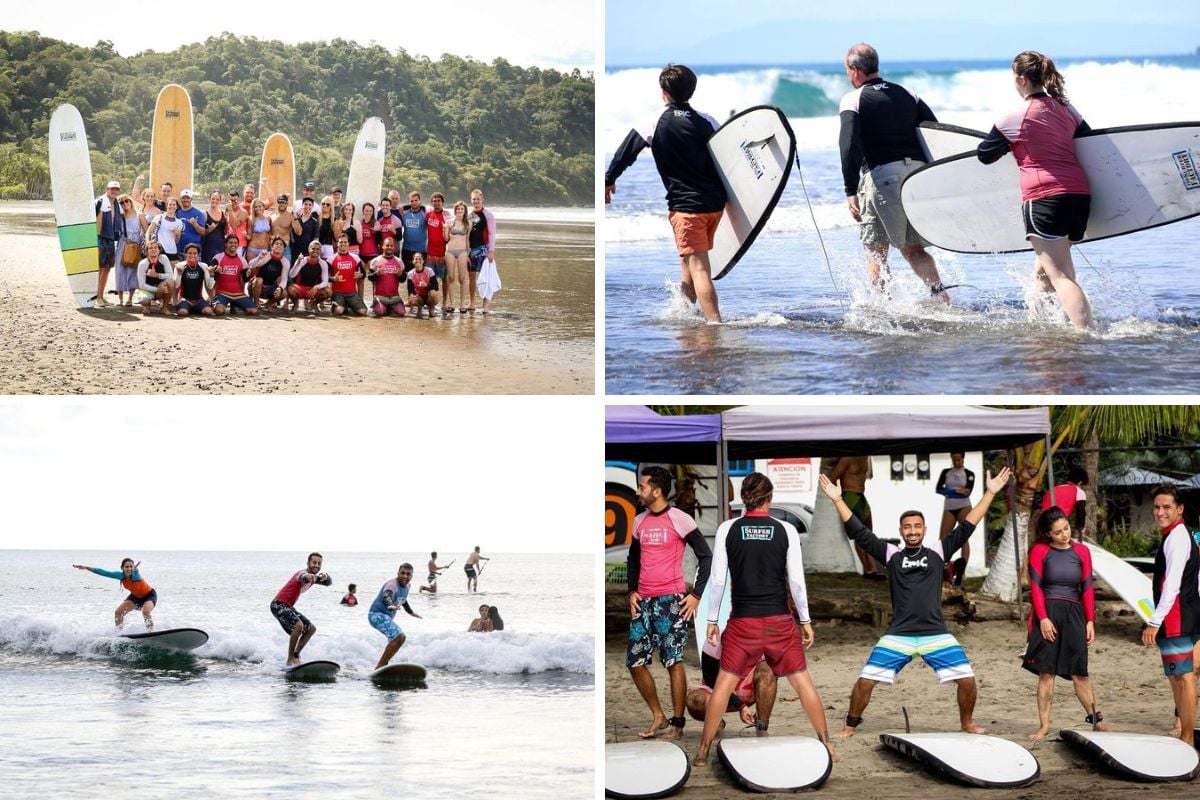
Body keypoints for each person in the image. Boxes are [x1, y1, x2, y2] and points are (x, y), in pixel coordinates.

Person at [818, 465, 1011, 737]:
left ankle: (967, 723)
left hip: (935, 633)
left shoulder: (938, 551)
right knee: (864, 682)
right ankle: (850, 725)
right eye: (907, 527)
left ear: (924, 529)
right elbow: (860, 532)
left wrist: (990, 493)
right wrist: (838, 500)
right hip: (900, 634)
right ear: (901, 529)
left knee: (967, 681)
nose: (912, 531)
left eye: (917, 526)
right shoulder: (891, 555)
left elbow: (967, 526)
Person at [694, 472, 831, 766]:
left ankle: (703, 752)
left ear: (744, 498)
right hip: (779, 622)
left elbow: (717, 581)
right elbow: (796, 582)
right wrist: (805, 620)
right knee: (803, 683)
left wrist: (711, 619)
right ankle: (827, 742)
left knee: (722, 686)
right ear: (769, 498)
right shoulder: (786, 530)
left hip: (743, 623)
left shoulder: (728, 529)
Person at [978, 51, 1093, 328]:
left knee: (1061, 276)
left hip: (1043, 198)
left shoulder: (1014, 116)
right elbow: (1090, 141)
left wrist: (1012, 143)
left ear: (1021, 79)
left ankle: (1087, 334)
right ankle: (1037, 325)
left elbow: (984, 154)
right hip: (1079, 195)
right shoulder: (1067, 110)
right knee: (1045, 271)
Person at [605, 64, 725, 322]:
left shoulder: (653, 122)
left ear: (663, 92)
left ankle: (714, 324)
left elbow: (625, 153)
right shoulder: (708, 121)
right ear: (691, 91)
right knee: (688, 261)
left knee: (699, 267)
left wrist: (608, 179)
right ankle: (684, 313)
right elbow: (730, 158)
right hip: (715, 205)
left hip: (687, 208)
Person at [839, 43, 950, 301]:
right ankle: (941, 297)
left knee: (875, 250)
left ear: (855, 69)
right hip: (916, 176)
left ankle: (883, 308)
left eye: (847, 70)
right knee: (913, 247)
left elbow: (848, 146)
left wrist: (850, 189)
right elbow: (934, 131)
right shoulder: (907, 92)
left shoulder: (853, 99)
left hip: (881, 178)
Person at [627, 465, 714, 740]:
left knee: (673, 662)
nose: (638, 492)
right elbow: (633, 560)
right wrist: (631, 591)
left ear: (657, 490)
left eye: (642, 487)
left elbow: (706, 557)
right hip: (644, 601)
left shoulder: (680, 519)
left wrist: (696, 595)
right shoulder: (639, 521)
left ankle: (678, 724)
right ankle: (658, 715)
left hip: (670, 600)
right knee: (635, 662)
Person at [1024, 506, 1108, 740]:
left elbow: (1087, 589)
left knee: (1080, 672)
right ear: (1048, 534)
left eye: (1066, 528)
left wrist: (1090, 621)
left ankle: (1096, 721)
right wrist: (1042, 619)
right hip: (1048, 611)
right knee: (1046, 673)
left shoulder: (1082, 551)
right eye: (1058, 532)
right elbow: (1036, 587)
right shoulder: (1040, 550)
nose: (1064, 534)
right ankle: (1043, 726)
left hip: (1074, 614)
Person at [1140, 484, 1200, 746]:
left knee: (1183, 678)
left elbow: (1172, 583)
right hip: (1188, 611)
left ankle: (1187, 738)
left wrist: (1154, 622)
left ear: (1180, 509)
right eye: (1156, 507)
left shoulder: (1177, 537)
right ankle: (1185, 733)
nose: (1160, 512)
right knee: (1183, 676)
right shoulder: (1181, 534)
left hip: (1177, 616)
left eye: (1167, 507)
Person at [686, 638, 776, 735]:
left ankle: (761, 724)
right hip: (719, 690)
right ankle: (716, 723)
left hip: (750, 688)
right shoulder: (715, 639)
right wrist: (740, 705)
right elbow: (711, 680)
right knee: (694, 699)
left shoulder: (764, 637)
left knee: (768, 670)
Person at [270, 552, 332, 666]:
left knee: (311, 629)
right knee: (299, 625)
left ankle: (296, 656)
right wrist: (307, 576)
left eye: (319, 563)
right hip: (278, 604)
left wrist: (325, 576)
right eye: (314, 562)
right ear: (308, 563)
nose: (316, 565)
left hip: (288, 606)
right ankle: (289, 660)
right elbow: (302, 577)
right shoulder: (302, 574)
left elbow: (329, 583)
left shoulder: (315, 577)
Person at [829, 456, 884, 579]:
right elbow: (832, 479)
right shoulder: (849, 459)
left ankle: (871, 569)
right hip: (850, 496)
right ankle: (869, 569)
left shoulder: (866, 459)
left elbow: (834, 478)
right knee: (859, 534)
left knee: (867, 534)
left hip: (860, 497)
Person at [72, 557, 156, 629]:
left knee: (146, 612)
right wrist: (86, 567)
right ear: (122, 568)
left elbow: (136, 571)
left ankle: (150, 631)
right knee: (118, 613)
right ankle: (119, 633)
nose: (129, 568)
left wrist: (136, 570)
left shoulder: (135, 575)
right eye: (127, 567)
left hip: (149, 595)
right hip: (135, 597)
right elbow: (103, 572)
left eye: (131, 566)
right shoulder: (120, 575)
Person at [369, 563, 422, 670]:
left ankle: (384, 665)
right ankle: (380, 666)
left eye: (408, 574)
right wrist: (390, 604)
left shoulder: (407, 586)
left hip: (385, 617)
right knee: (399, 636)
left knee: (399, 639)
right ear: (398, 573)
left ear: (412, 576)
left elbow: (403, 599)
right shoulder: (392, 585)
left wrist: (410, 612)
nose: (405, 576)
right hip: (376, 615)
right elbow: (386, 595)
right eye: (402, 573)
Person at [936, 452, 976, 586]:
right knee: (943, 537)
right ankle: (944, 566)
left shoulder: (969, 473)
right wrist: (955, 492)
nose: (957, 462)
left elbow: (968, 491)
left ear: (963, 459)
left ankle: (962, 571)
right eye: (954, 460)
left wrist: (953, 491)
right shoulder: (946, 472)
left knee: (964, 537)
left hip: (964, 505)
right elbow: (939, 489)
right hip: (949, 506)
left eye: (959, 460)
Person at [209, 234, 258, 316]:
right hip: (222, 293)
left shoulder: (242, 260)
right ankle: (215, 302)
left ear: (238, 245)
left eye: (235, 243)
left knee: (253, 311)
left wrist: (248, 274)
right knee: (219, 311)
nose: (233, 245)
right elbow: (210, 273)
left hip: (237, 294)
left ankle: (235, 304)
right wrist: (214, 270)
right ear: (225, 244)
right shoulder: (218, 257)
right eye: (230, 242)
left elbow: (245, 279)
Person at [465, 189, 496, 314]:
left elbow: (492, 234)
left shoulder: (488, 215)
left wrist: (491, 251)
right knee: (471, 277)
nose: (475, 201)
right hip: (471, 250)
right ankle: (471, 303)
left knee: (486, 278)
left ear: (482, 199)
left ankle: (485, 306)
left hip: (484, 249)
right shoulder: (469, 215)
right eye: (473, 199)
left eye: (478, 199)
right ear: (471, 200)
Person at [94, 179, 122, 306]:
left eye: (116, 189)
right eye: (112, 189)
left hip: (111, 238)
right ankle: (97, 297)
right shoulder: (99, 202)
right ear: (107, 189)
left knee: (107, 268)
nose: (114, 191)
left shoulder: (117, 204)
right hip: (100, 237)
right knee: (99, 268)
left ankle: (101, 295)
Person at [1041, 466, 1088, 535]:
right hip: (1057, 523)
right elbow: (1080, 512)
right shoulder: (1078, 491)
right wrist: (1081, 528)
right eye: (1082, 486)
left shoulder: (1054, 488)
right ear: (1080, 483)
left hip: (1041, 521)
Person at [368, 236, 407, 317]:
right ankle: (382, 306)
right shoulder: (375, 261)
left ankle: (390, 307)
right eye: (387, 245)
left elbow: (403, 280)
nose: (389, 247)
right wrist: (376, 274)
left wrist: (400, 275)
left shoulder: (399, 262)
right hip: (380, 296)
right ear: (382, 246)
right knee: (379, 312)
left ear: (394, 247)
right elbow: (369, 277)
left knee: (401, 313)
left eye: (391, 245)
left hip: (394, 297)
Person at [287, 240, 331, 312]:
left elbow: (325, 282)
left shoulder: (323, 263)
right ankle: (295, 304)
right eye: (313, 248)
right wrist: (297, 263)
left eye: (317, 249)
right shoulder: (302, 260)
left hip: (314, 289)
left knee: (328, 291)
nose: (315, 251)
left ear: (320, 250)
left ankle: (314, 304)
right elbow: (291, 275)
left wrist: (316, 287)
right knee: (290, 289)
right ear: (309, 249)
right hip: (300, 288)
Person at [329, 234, 367, 316]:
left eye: (345, 242)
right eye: (341, 242)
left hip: (352, 293)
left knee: (363, 312)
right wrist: (333, 278)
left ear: (348, 244)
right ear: (337, 244)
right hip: (337, 293)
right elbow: (325, 277)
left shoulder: (356, 258)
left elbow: (364, 274)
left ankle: (348, 305)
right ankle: (339, 305)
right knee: (339, 311)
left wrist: (360, 275)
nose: (343, 244)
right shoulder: (331, 259)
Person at [247, 237, 290, 311]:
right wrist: (259, 258)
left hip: (270, 288)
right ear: (272, 246)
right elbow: (251, 265)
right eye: (276, 244)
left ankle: (268, 304)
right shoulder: (266, 255)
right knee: (259, 280)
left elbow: (284, 279)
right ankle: (256, 303)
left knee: (284, 292)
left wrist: (280, 288)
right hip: (255, 286)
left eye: (281, 244)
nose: (278, 245)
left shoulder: (285, 262)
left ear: (284, 249)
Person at [135, 238, 175, 315]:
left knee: (171, 282)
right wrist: (157, 289)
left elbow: (171, 275)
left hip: (161, 287)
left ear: (159, 250)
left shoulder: (164, 258)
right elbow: (141, 285)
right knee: (145, 302)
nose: (153, 250)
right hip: (148, 290)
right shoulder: (142, 264)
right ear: (146, 251)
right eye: (150, 248)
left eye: (155, 247)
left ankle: (164, 307)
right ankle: (147, 306)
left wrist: (157, 275)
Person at [444, 200, 471, 313]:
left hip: (462, 251)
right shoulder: (449, 222)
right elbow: (446, 239)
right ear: (455, 210)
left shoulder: (468, 223)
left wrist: (468, 253)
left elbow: (467, 239)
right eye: (458, 209)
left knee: (462, 278)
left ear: (465, 211)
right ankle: (451, 303)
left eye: (462, 209)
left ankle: (462, 304)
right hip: (450, 250)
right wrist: (446, 229)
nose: (460, 210)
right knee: (450, 277)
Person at [115, 192, 141, 307]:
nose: (125, 203)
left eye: (126, 201)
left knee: (133, 271)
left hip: (135, 245)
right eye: (121, 202)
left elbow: (146, 230)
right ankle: (120, 299)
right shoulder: (119, 217)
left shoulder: (139, 215)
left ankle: (130, 298)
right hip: (123, 244)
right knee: (120, 270)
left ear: (130, 201)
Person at [174, 243, 214, 317]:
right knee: (182, 313)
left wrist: (211, 274)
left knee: (209, 312)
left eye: (195, 253)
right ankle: (187, 308)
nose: (192, 255)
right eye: (189, 253)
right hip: (185, 299)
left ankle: (194, 308)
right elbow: (176, 285)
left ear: (198, 255)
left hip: (199, 299)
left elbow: (209, 286)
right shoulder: (180, 266)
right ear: (185, 254)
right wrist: (179, 274)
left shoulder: (203, 266)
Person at [425, 193, 450, 313]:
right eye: (434, 201)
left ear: (442, 202)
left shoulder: (447, 216)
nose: (436, 203)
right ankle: (431, 304)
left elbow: (451, 235)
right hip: (429, 254)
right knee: (430, 281)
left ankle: (444, 303)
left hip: (443, 255)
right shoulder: (428, 214)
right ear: (431, 202)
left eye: (438, 201)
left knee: (445, 279)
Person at [405, 252, 440, 318]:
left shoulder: (429, 271)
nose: (418, 260)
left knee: (433, 292)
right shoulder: (410, 274)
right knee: (412, 298)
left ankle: (431, 308)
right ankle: (419, 308)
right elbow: (410, 290)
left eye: (420, 259)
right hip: (419, 297)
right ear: (413, 261)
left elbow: (436, 287)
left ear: (423, 261)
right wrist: (411, 296)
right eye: (416, 259)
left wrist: (426, 286)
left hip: (429, 297)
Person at [399, 190, 428, 269]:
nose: (414, 202)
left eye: (416, 200)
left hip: (421, 249)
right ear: (409, 202)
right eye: (411, 201)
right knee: (409, 275)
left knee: (420, 274)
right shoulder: (404, 214)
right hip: (406, 248)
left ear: (419, 201)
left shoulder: (425, 213)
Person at [175, 189, 207, 258]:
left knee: (195, 269)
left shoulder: (198, 213)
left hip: (194, 250)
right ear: (180, 199)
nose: (186, 200)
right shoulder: (177, 213)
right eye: (183, 198)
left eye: (188, 198)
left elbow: (202, 232)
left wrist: (195, 225)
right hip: (180, 249)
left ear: (191, 199)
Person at [151, 198, 184, 262]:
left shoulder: (179, 222)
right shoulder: (159, 217)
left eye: (174, 205)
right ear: (167, 206)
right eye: (170, 204)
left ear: (176, 207)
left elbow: (177, 241)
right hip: (160, 250)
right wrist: (148, 244)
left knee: (172, 271)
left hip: (172, 251)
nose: (172, 206)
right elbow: (148, 232)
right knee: (159, 271)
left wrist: (177, 234)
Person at [200, 190, 228, 265]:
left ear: (220, 201)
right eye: (213, 199)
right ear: (209, 200)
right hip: (208, 247)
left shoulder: (223, 214)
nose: (215, 201)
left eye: (217, 199)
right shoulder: (204, 214)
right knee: (208, 269)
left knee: (219, 269)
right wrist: (209, 230)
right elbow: (200, 233)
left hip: (220, 247)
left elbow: (226, 231)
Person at [290, 196, 320, 262]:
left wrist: (314, 252)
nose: (307, 206)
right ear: (302, 205)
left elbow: (316, 238)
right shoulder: (296, 219)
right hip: (295, 250)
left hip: (307, 251)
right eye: (305, 204)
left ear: (312, 207)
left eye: (310, 205)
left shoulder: (314, 222)